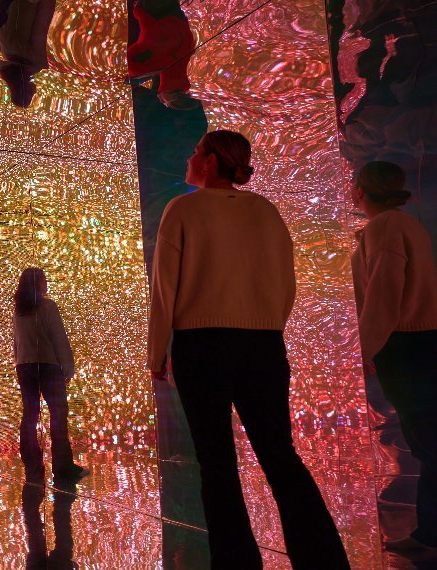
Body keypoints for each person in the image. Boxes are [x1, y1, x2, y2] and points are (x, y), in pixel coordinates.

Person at [146, 130, 349, 569]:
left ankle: (235, 562)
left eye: (196, 150)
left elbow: (165, 290)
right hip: (262, 344)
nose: (190, 155)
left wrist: (157, 351)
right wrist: (267, 325)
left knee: (216, 461)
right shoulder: (266, 211)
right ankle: (323, 559)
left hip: (202, 345)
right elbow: (285, 283)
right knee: (279, 453)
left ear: (211, 163)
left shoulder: (182, 209)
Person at [351, 160, 437, 556]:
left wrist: (367, 349)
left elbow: (384, 294)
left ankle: (432, 535)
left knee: (428, 441)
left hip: (407, 345)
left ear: (361, 190)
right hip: (423, 341)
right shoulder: (408, 225)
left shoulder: (383, 227)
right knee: (430, 437)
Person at [12, 268, 89, 484]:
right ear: (40, 283)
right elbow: (59, 338)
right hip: (48, 366)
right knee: (58, 415)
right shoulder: (48, 306)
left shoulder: (18, 311)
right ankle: (63, 467)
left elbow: (16, 342)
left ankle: (33, 466)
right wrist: (68, 366)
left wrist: (19, 363)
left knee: (29, 415)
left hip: (24, 366)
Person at [0, 0, 56, 108]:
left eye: (31, 95)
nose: (35, 93)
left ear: (25, 89)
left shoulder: (35, 62)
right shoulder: (5, 59)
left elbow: (41, 26)